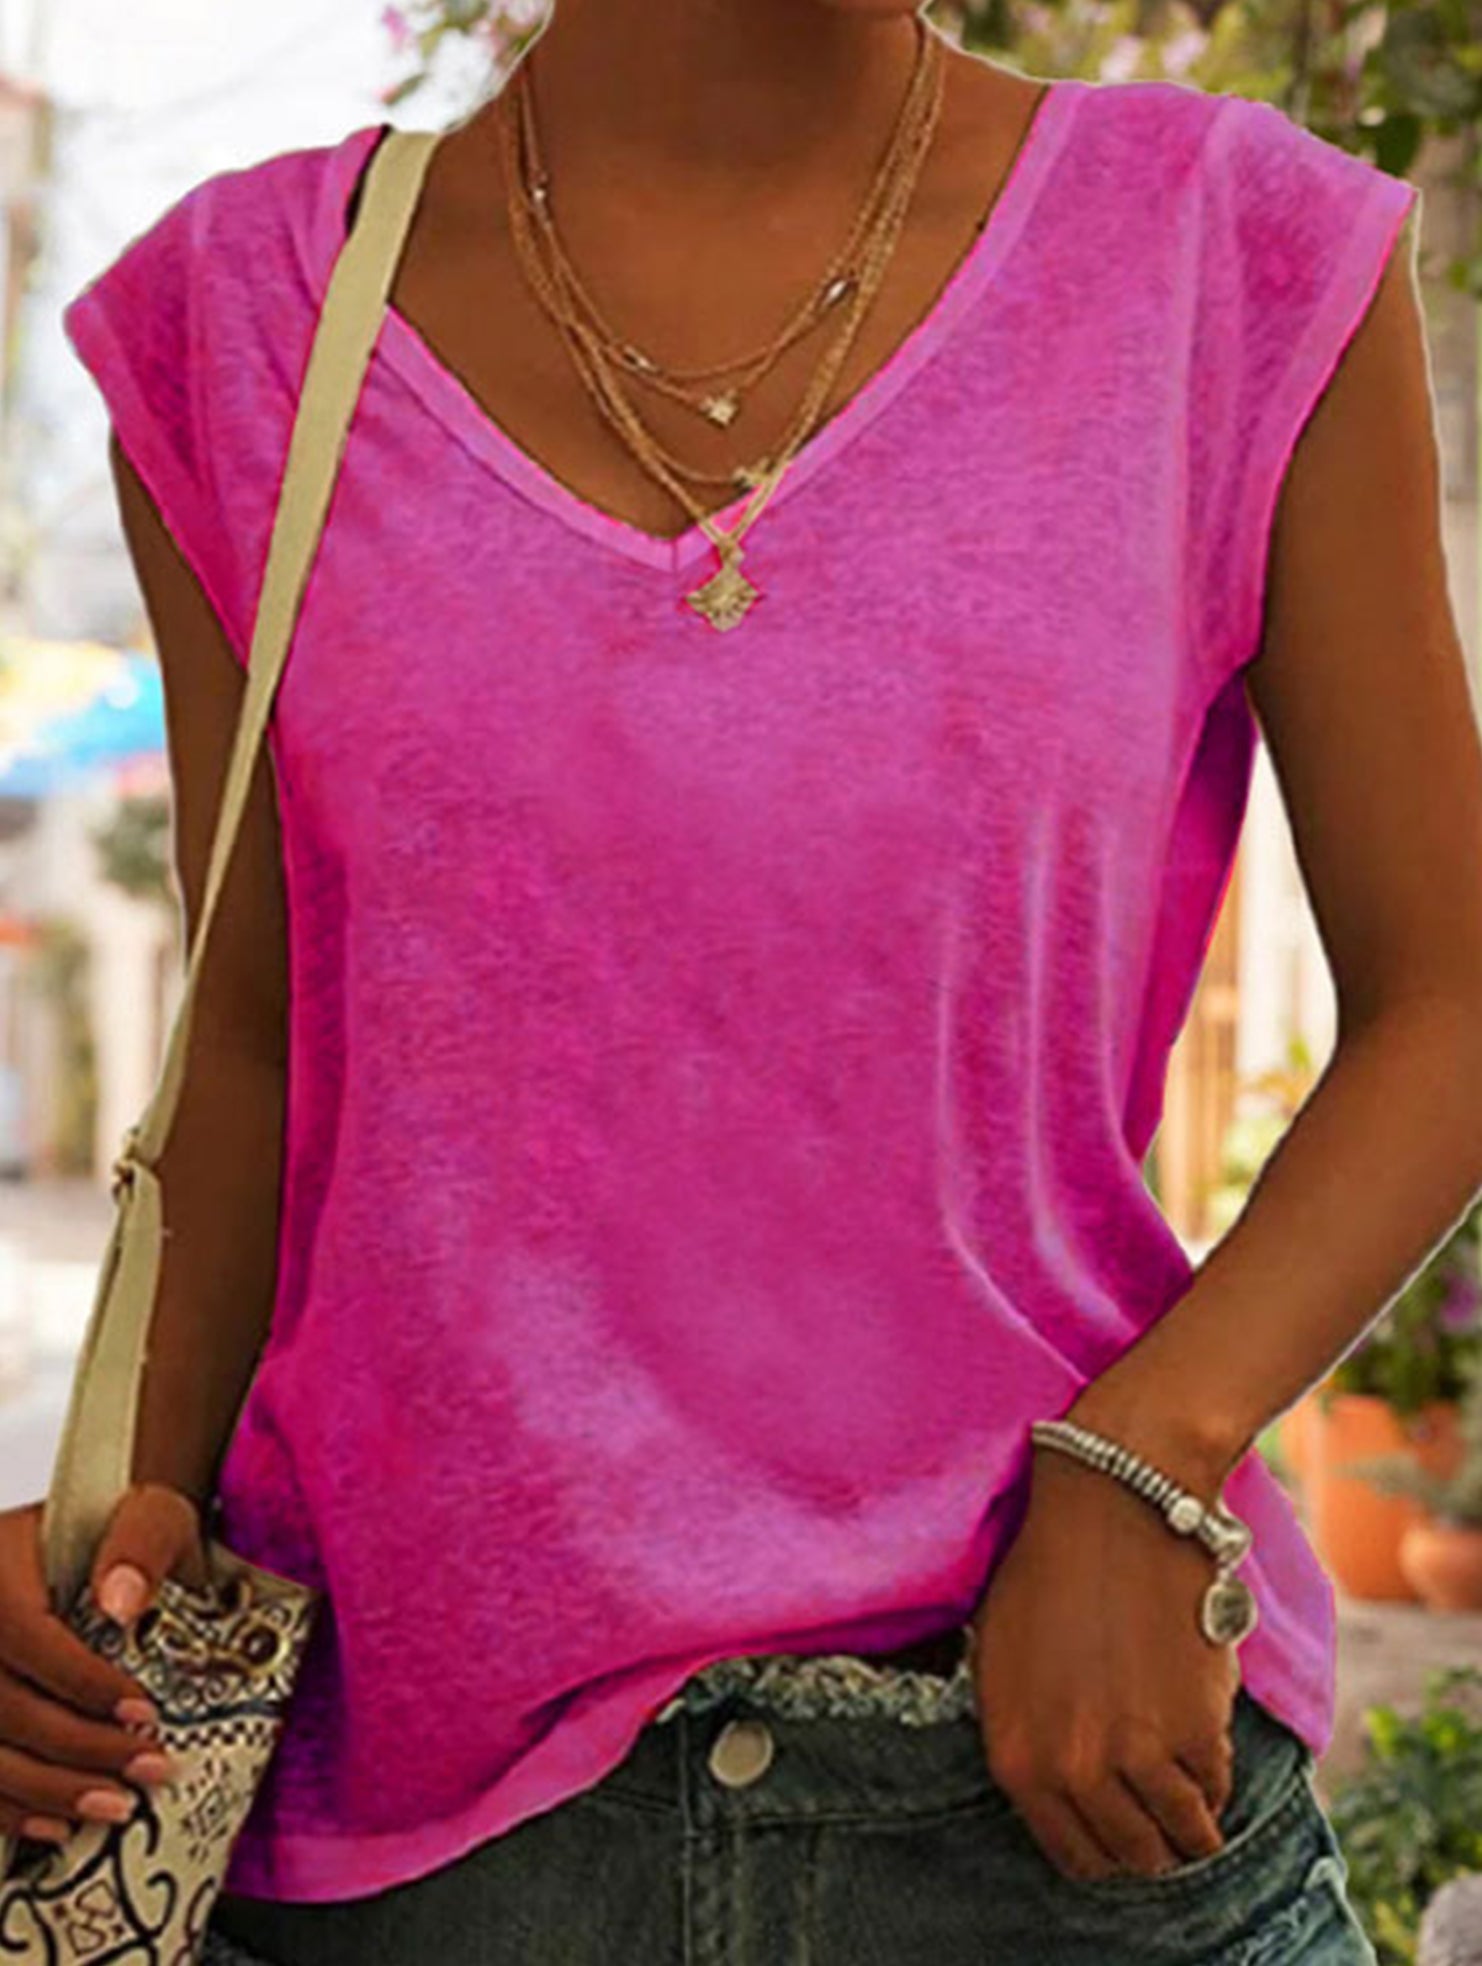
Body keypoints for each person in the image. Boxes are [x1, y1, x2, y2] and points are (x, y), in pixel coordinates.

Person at [1, 0, 1475, 1959]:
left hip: (1058, 1788)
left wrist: (1159, 1447)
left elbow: (1447, 994)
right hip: (422, 1850)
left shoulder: (1229, 249)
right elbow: (256, 1051)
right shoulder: (246, 313)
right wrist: (97, 1550)